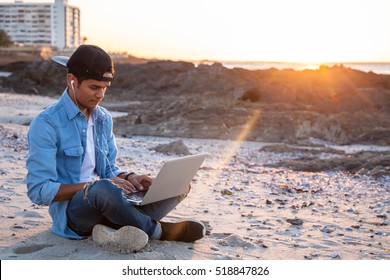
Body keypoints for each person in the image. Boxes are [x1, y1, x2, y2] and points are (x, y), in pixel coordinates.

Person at [26, 45, 205, 251]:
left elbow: (108, 169)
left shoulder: (102, 118)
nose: (100, 95)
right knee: (101, 189)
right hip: (75, 216)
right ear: (72, 81)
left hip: (112, 202)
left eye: (104, 88)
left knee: (178, 184)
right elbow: (39, 191)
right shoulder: (46, 123)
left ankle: (125, 224)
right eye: (94, 88)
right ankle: (157, 231)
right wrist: (94, 186)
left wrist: (130, 178)